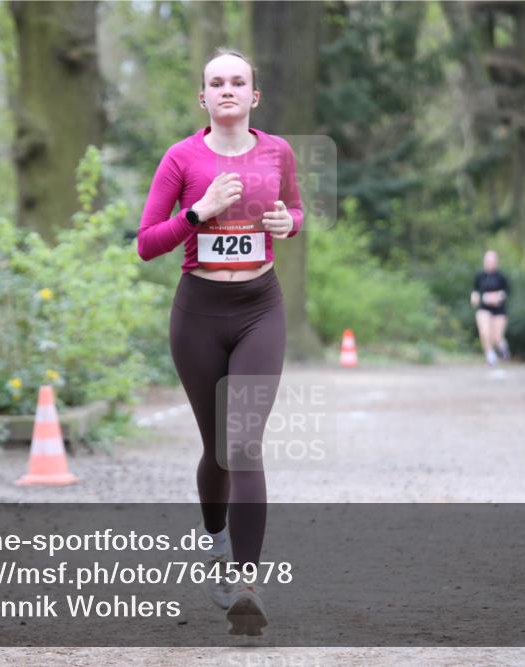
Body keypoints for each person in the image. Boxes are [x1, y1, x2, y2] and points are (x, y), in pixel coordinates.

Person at [137, 48, 303, 636]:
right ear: (202, 98)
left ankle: (247, 585)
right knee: (216, 450)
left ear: (254, 96)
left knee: (243, 444)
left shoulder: (276, 151)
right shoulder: (181, 158)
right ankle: (215, 539)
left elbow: (296, 209)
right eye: (216, 82)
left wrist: (289, 224)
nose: (227, 89)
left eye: (238, 81)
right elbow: (147, 243)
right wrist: (198, 213)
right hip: (198, 313)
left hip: (261, 307)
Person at [470, 250, 510, 366]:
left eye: (492, 261)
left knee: (496, 337)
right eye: (488, 261)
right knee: (484, 332)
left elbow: (506, 292)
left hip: (498, 310)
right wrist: (475, 297)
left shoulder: (502, 277)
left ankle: (503, 349)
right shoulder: (479, 276)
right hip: (484, 308)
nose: (490, 263)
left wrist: (498, 297)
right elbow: (475, 291)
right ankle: (490, 356)